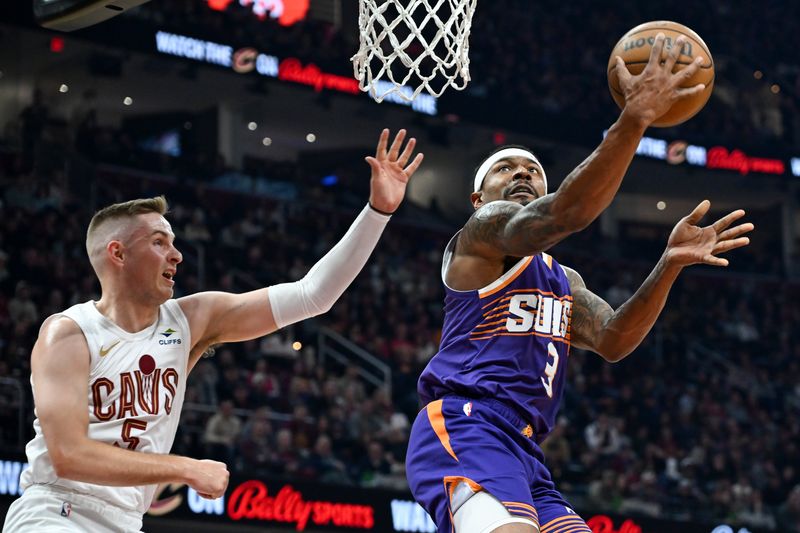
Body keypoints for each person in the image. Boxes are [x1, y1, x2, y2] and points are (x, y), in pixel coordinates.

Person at [405, 34, 754, 533]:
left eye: (534, 170)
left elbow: (613, 341)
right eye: (506, 168)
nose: (522, 172)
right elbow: (566, 213)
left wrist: (669, 263)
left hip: (526, 450)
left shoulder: (564, 280)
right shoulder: (483, 236)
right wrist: (633, 120)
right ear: (479, 197)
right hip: (467, 422)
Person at [2, 128, 423, 533]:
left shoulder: (191, 319)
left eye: (174, 242)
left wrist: (378, 212)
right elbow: (68, 455)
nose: (177, 254)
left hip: (126, 521)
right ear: (118, 253)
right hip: (55, 512)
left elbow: (313, 296)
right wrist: (186, 467)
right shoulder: (69, 333)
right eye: (159, 243)